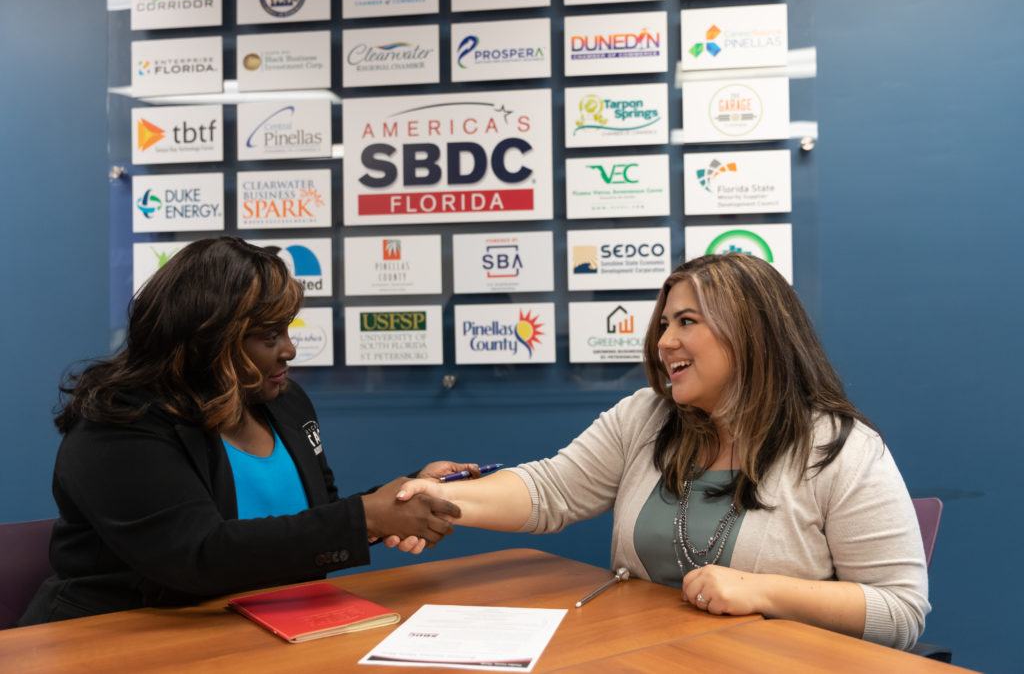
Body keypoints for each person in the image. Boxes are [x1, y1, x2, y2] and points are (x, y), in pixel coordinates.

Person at [398, 253, 930, 650]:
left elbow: (901, 612)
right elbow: (550, 491)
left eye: (686, 322)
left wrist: (762, 592)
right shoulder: (645, 418)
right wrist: (443, 500)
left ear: (752, 332)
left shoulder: (840, 448)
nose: (663, 342)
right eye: (664, 324)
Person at [19, 237, 471, 625]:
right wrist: (367, 516)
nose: (290, 350)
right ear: (205, 339)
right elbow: (197, 556)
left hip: (253, 629)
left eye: (287, 332)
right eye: (270, 336)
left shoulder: (284, 401)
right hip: (112, 640)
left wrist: (400, 499)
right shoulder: (119, 424)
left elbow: (315, 517)